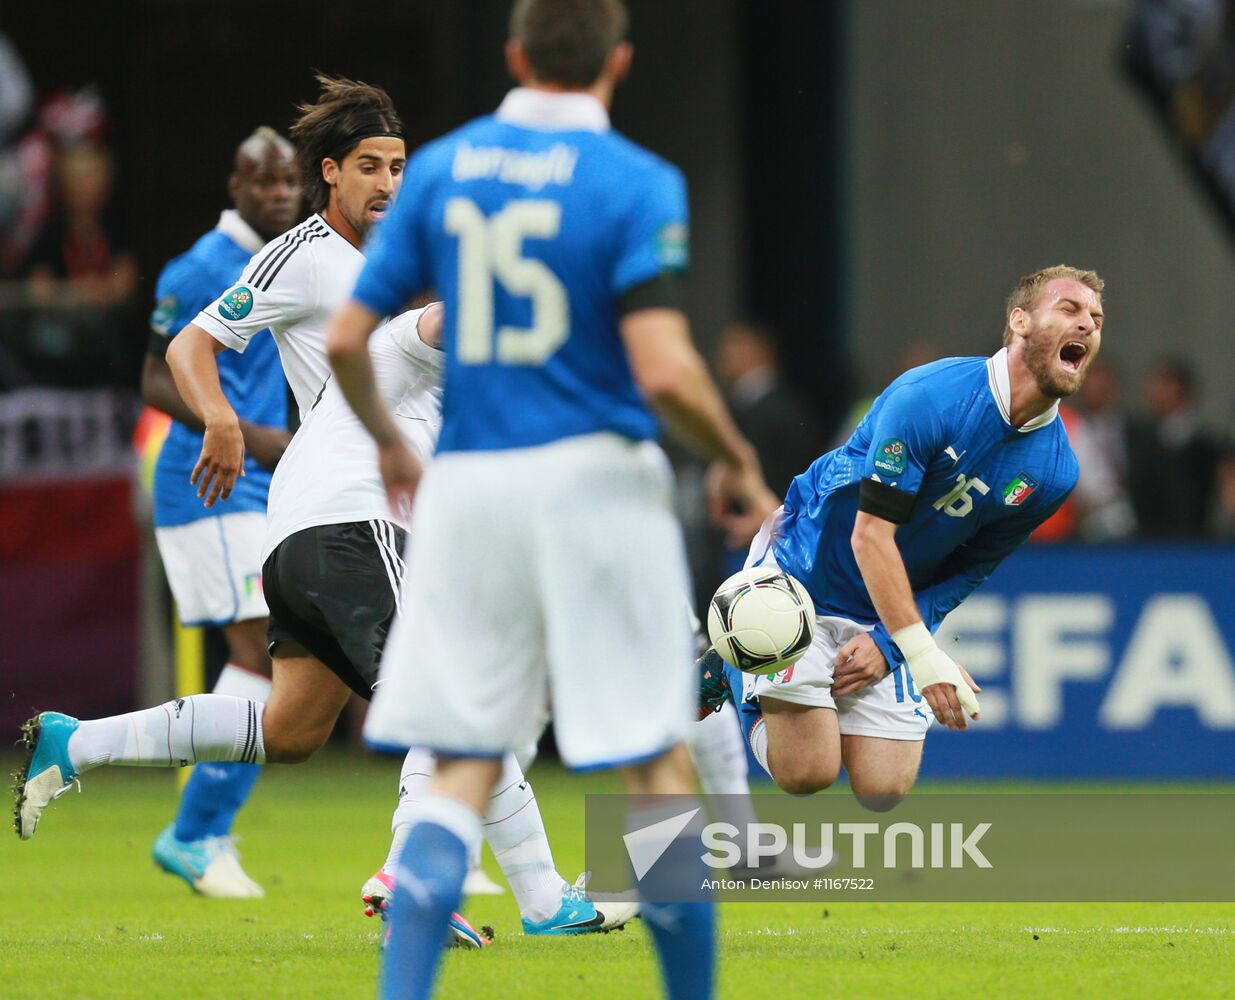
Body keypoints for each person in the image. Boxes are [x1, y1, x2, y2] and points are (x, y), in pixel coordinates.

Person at [14, 75, 628, 947]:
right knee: (450, 700)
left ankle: (75, 744)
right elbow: (193, 344)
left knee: (292, 727)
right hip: (347, 516)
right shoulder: (306, 255)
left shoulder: (403, 266)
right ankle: (499, 893)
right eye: (371, 167)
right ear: (330, 173)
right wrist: (220, 417)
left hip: (324, 518)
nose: (389, 183)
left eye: (401, 167)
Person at [326, 2, 777, 997]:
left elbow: (349, 340)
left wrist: (394, 447)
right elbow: (661, 370)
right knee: (653, 766)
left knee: (458, 766)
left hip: (472, 488)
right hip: (595, 485)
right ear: (618, 61)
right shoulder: (636, 181)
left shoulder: (441, 169)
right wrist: (736, 456)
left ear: (515, 55)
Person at [699, 265, 1104, 807]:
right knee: (808, 772)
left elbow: (969, 569)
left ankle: (758, 674)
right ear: (1020, 323)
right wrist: (920, 652)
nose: (1087, 325)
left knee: (883, 787)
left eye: (1097, 319)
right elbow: (870, 537)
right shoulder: (931, 396)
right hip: (805, 577)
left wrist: (890, 646)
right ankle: (729, 667)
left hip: (884, 607)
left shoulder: (1055, 471)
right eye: (1070, 309)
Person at [140, 126, 300, 897]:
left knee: (279, 655)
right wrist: (227, 422)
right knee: (265, 654)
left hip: (268, 480)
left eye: (287, 181)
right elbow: (152, 375)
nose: (277, 192)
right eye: (261, 181)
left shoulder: (290, 257)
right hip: (207, 481)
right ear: (233, 188)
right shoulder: (203, 264)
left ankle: (200, 828)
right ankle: (196, 831)